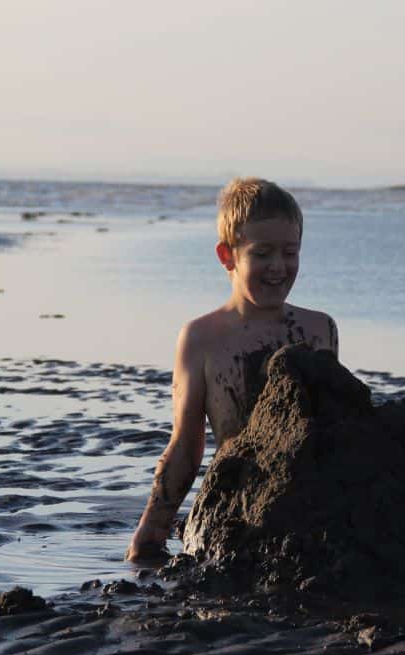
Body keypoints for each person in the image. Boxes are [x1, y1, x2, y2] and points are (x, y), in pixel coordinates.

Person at [126, 178, 338, 562]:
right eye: (262, 253)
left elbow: (339, 430)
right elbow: (186, 447)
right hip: (236, 509)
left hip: (309, 511)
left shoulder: (318, 330)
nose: (278, 266)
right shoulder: (201, 338)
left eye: (290, 252)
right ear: (227, 256)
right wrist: (152, 530)